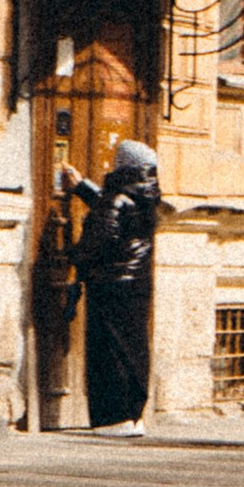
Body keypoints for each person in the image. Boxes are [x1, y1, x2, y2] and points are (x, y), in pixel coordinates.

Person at [60, 138, 160, 431]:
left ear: (122, 166)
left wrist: (71, 255)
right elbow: (114, 211)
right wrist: (82, 187)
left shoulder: (117, 199)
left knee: (109, 349)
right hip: (137, 283)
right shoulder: (147, 197)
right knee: (133, 347)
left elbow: (103, 234)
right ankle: (134, 416)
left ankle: (113, 417)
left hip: (111, 284)